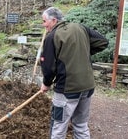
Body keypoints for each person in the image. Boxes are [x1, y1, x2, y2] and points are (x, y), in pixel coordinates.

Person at [39, 7, 109, 138]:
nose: (43, 25)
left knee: (58, 128)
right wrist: (81, 52)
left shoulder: (52, 37)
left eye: (44, 21)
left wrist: (46, 84)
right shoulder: (80, 27)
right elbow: (103, 42)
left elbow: (48, 68)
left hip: (67, 90)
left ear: (53, 20)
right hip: (87, 88)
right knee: (81, 126)